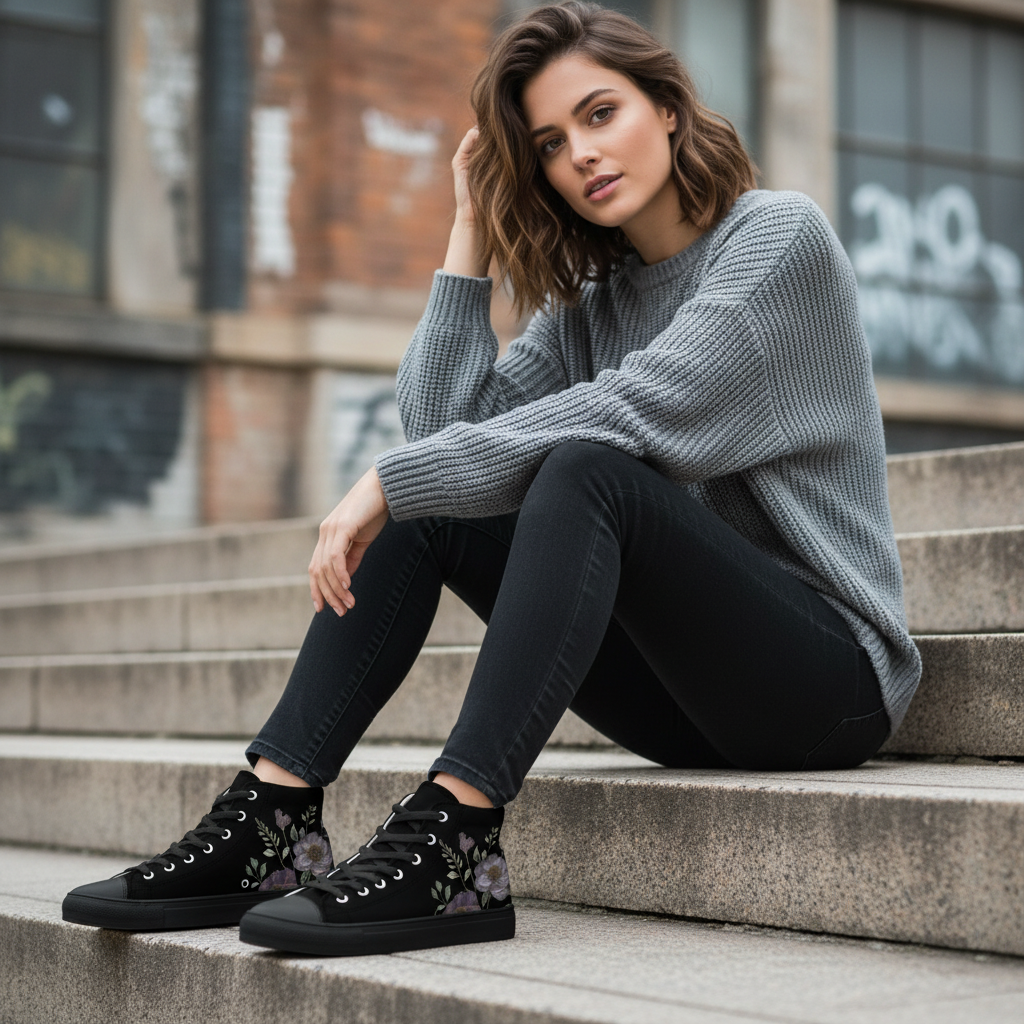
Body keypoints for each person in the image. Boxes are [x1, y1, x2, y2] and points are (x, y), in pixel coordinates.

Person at [63, 1, 921, 957]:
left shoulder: (776, 242)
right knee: (441, 496)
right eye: (551, 143)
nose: (582, 155)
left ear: (669, 107)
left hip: (826, 681)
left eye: (601, 114)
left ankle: (458, 841)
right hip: (687, 696)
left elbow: (636, 407)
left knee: (585, 464)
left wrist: (389, 477)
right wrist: (467, 229)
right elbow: (449, 436)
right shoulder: (594, 301)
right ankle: (270, 819)